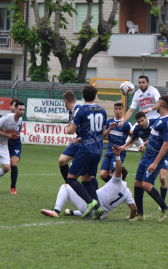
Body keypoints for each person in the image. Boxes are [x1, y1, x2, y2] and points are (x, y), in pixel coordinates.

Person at [41, 145, 136, 220]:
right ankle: (72, 212)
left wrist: (118, 156)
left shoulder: (117, 181)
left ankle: (56, 211)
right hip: (100, 216)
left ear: (117, 175)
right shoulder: (127, 193)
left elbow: (118, 171)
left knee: (65, 186)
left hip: (91, 208)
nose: (109, 174)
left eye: (111, 172)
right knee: (91, 191)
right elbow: (133, 209)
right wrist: (130, 217)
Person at [122, 105, 168, 205]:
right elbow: (133, 138)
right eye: (138, 122)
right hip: (149, 154)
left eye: (142, 121)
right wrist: (124, 146)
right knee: (143, 181)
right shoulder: (138, 128)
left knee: (162, 178)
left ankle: (162, 202)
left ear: (146, 118)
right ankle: (142, 203)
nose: (141, 123)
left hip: (162, 154)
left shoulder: (155, 122)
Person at [65, 84, 108, 218]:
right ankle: (98, 208)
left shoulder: (81, 110)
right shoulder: (102, 110)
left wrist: (70, 125)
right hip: (98, 149)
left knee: (71, 178)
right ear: (95, 96)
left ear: (83, 96)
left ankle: (90, 202)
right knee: (86, 179)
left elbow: (70, 130)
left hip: (86, 149)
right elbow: (102, 133)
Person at [131, 95, 168, 223]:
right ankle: (140, 214)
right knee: (137, 183)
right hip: (146, 156)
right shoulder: (159, 120)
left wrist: (155, 163)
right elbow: (154, 138)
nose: (155, 105)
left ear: (160, 105)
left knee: (146, 184)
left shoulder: (167, 122)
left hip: (154, 158)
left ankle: (165, 208)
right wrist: (144, 144)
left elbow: (166, 144)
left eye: (157, 103)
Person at [100, 101, 132, 182]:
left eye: (119, 109)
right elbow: (103, 135)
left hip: (119, 152)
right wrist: (110, 128)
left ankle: (113, 192)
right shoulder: (109, 122)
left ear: (123, 110)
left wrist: (126, 146)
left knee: (112, 174)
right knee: (102, 174)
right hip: (109, 151)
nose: (118, 111)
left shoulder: (126, 124)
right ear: (114, 110)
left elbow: (134, 138)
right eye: (116, 109)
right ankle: (116, 188)